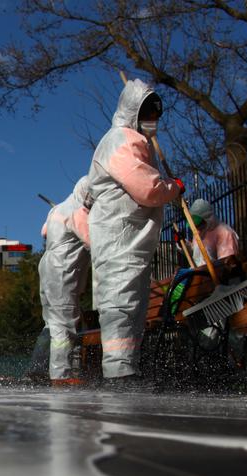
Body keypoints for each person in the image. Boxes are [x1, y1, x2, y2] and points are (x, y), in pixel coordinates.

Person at [86, 79, 184, 387]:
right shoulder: (121, 141)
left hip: (127, 239)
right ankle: (119, 373)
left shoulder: (129, 141)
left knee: (132, 304)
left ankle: (127, 368)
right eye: (148, 113)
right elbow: (147, 188)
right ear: (134, 112)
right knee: (121, 302)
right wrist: (174, 187)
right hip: (120, 238)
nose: (153, 121)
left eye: (156, 114)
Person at [38, 176, 93, 385]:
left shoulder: (57, 209)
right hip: (63, 269)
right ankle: (61, 376)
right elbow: (92, 242)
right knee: (64, 323)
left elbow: (44, 232)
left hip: (47, 265)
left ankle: (37, 368)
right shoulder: (79, 212)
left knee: (51, 322)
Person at [185, 198, 239, 265]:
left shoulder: (224, 233)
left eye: (198, 223)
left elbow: (226, 262)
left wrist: (203, 269)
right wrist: (184, 244)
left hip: (218, 274)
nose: (197, 227)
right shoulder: (198, 233)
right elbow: (197, 253)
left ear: (208, 218)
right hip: (200, 273)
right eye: (194, 225)